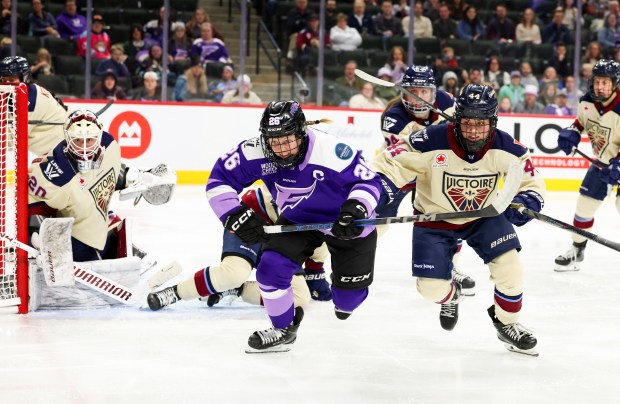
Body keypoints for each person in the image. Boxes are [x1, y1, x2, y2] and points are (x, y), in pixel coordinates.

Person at [371, 83, 546, 356]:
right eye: (467, 123)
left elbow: (530, 180)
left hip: (485, 216)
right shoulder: (431, 140)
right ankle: (451, 295)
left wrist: (528, 199)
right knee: (430, 289)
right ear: (456, 118)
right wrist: (380, 186)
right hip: (435, 218)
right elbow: (392, 161)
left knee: (511, 270)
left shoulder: (507, 147)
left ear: (493, 121)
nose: (474, 130)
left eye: (481, 123)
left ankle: (507, 323)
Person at [196, 100, 381, 353]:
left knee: (347, 303)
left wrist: (358, 207)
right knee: (270, 269)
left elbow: (370, 182)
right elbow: (219, 180)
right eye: (274, 141)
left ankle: (345, 290)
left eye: (288, 140)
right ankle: (283, 330)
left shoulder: (330, 150)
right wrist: (233, 214)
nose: (281, 149)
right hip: (299, 220)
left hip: (345, 222)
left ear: (301, 133)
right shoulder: (256, 150)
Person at [147, 185, 332, 311]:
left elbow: (318, 245)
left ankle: (237, 290)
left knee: (299, 298)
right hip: (252, 222)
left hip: (281, 240)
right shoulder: (302, 179)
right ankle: (175, 292)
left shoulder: (331, 206)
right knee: (233, 273)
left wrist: (315, 273)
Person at [376, 65, 476, 295]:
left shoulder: (448, 101)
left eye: (423, 92)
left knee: (449, 214)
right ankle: (356, 255)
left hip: (436, 168)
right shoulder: (393, 119)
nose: (418, 97)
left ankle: (451, 267)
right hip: (401, 169)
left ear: (432, 92)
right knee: (377, 220)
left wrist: (458, 124)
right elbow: (409, 155)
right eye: (412, 90)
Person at [27, 110, 175, 263]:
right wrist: (38, 233)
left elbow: (106, 172)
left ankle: (124, 253)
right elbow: (34, 198)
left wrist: (135, 177)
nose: (84, 148)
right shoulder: (58, 175)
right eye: (78, 140)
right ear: (68, 139)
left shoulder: (108, 144)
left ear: (98, 137)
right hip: (75, 238)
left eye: (89, 140)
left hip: (95, 222)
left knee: (113, 222)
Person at [555, 59, 620, 271]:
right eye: (597, 81)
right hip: (603, 163)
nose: (599, 86)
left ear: (615, 83)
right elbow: (581, 122)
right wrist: (572, 131)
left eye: (605, 82)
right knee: (584, 206)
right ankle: (577, 249)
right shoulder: (587, 101)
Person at [0, 56, 67, 155]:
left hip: (57, 151)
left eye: (12, 80)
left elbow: (10, 140)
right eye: (4, 80)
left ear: (24, 77)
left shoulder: (30, 101)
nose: (7, 84)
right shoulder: (27, 90)